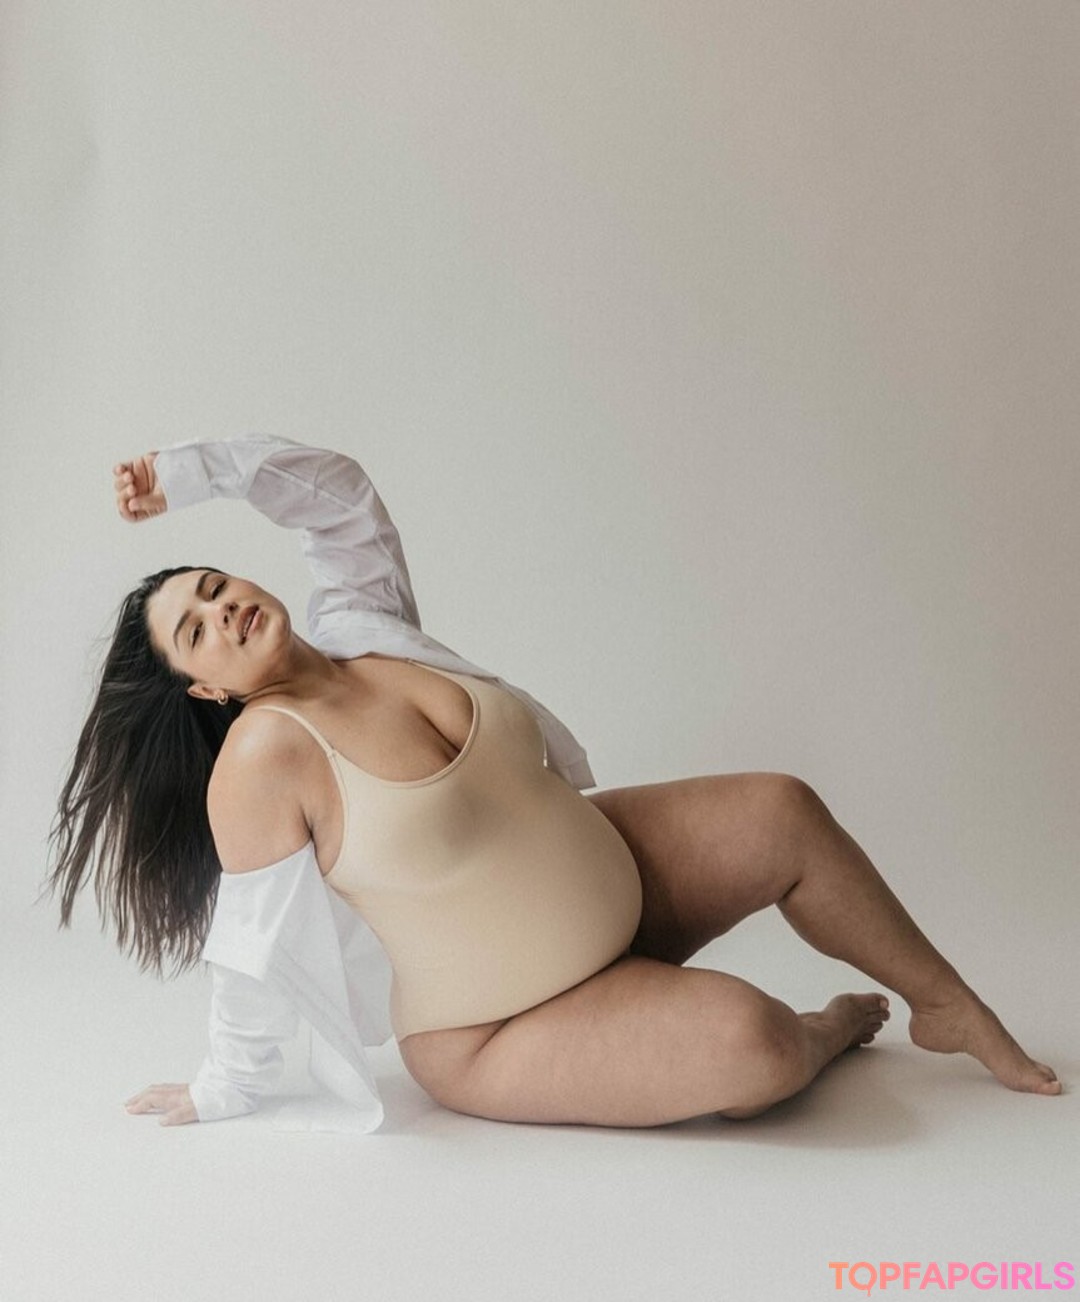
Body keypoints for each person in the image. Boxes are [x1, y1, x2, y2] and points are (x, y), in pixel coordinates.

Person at [47, 434, 1061, 1132]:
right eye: (196, 630)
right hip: (500, 1029)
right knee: (753, 1042)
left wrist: (189, 473)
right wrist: (222, 1087)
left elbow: (341, 497)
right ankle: (821, 1033)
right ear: (204, 688)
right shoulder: (265, 758)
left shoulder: (364, 627)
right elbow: (252, 944)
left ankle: (946, 1005)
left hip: (621, 889)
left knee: (779, 809)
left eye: (217, 586)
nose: (223, 611)